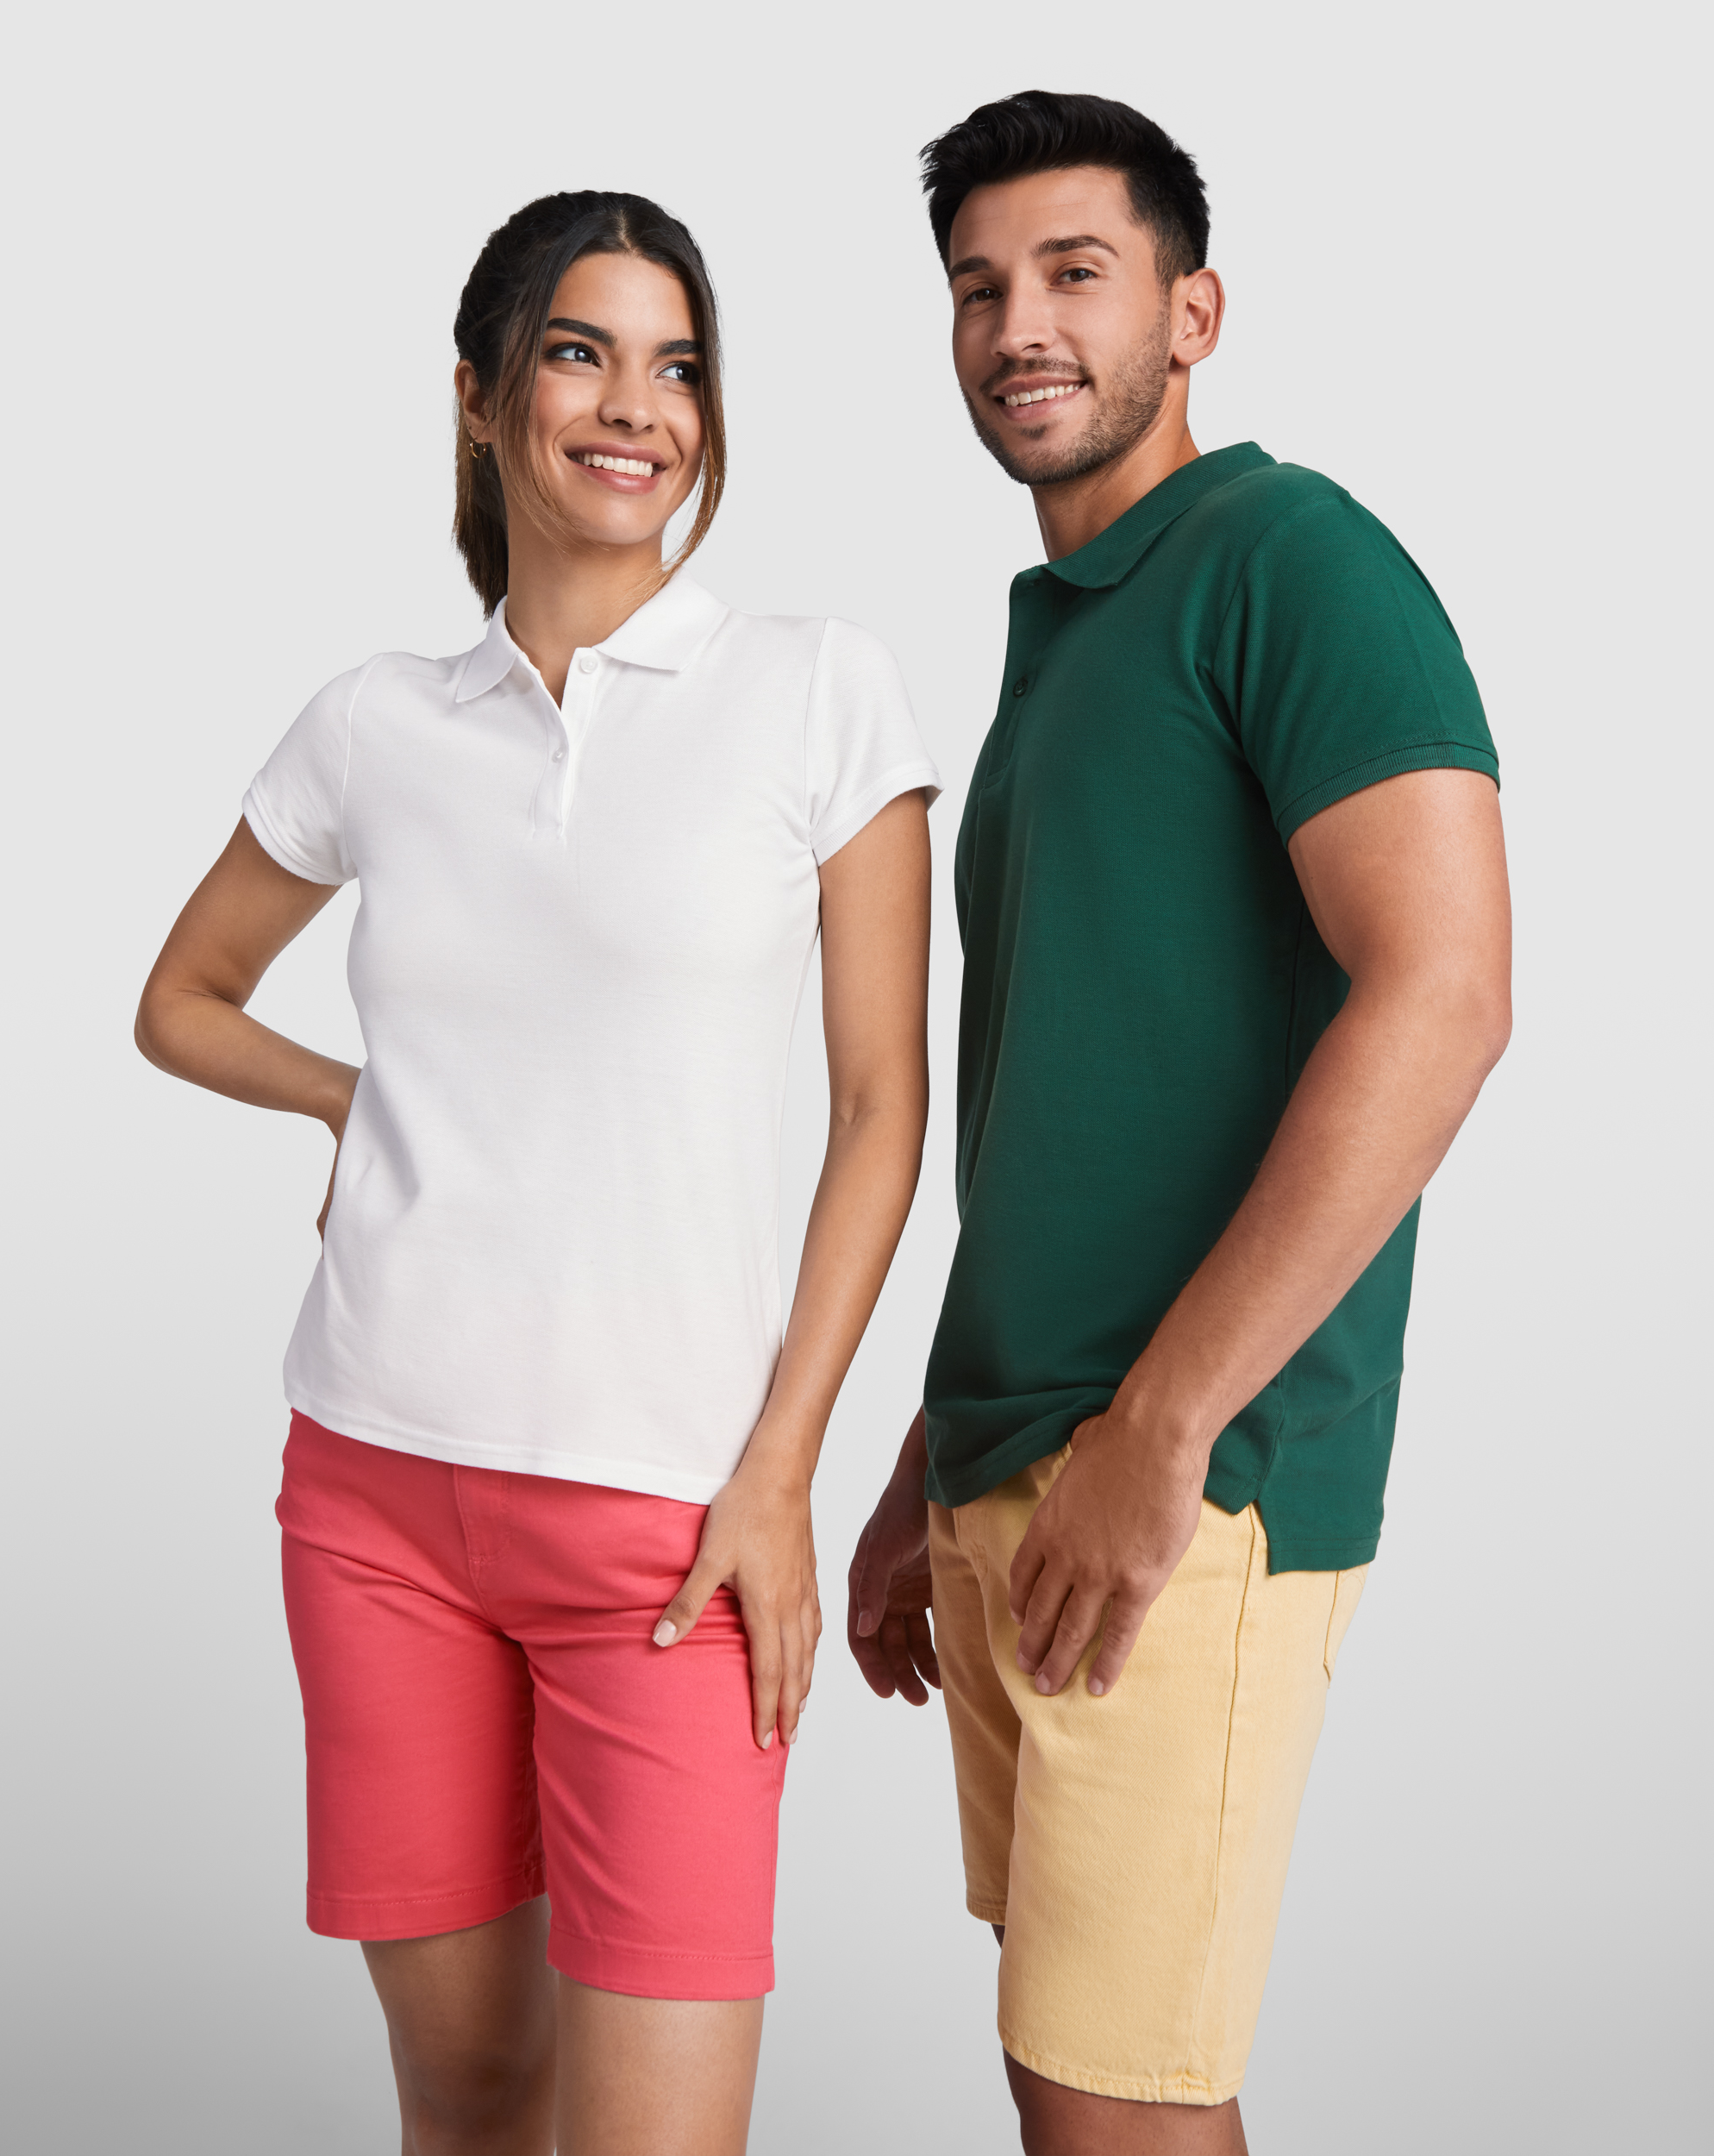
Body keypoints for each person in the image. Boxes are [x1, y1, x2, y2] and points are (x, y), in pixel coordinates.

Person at [136, 189, 937, 2156]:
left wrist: (780, 1470)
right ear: (483, 397)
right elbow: (182, 1000)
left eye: (679, 366)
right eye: (582, 352)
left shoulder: (817, 691)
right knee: (471, 2093)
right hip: (375, 1498)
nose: (635, 406)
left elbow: (881, 1111)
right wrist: (351, 1101)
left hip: (674, 1532)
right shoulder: (376, 723)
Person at [848, 91, 1511, 2155]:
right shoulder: (1062, 644)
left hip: (1183, 1473)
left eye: (1074, 273)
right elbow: (1067, 1099)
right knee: (1072, 2067)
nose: (1018, 327)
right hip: (1025, 1457)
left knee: (1117, 2094)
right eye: (978, 289)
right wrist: (932, 1450)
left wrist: (1162, 1429)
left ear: (1191, 312)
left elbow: (1445, 992)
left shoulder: (1288, 559)